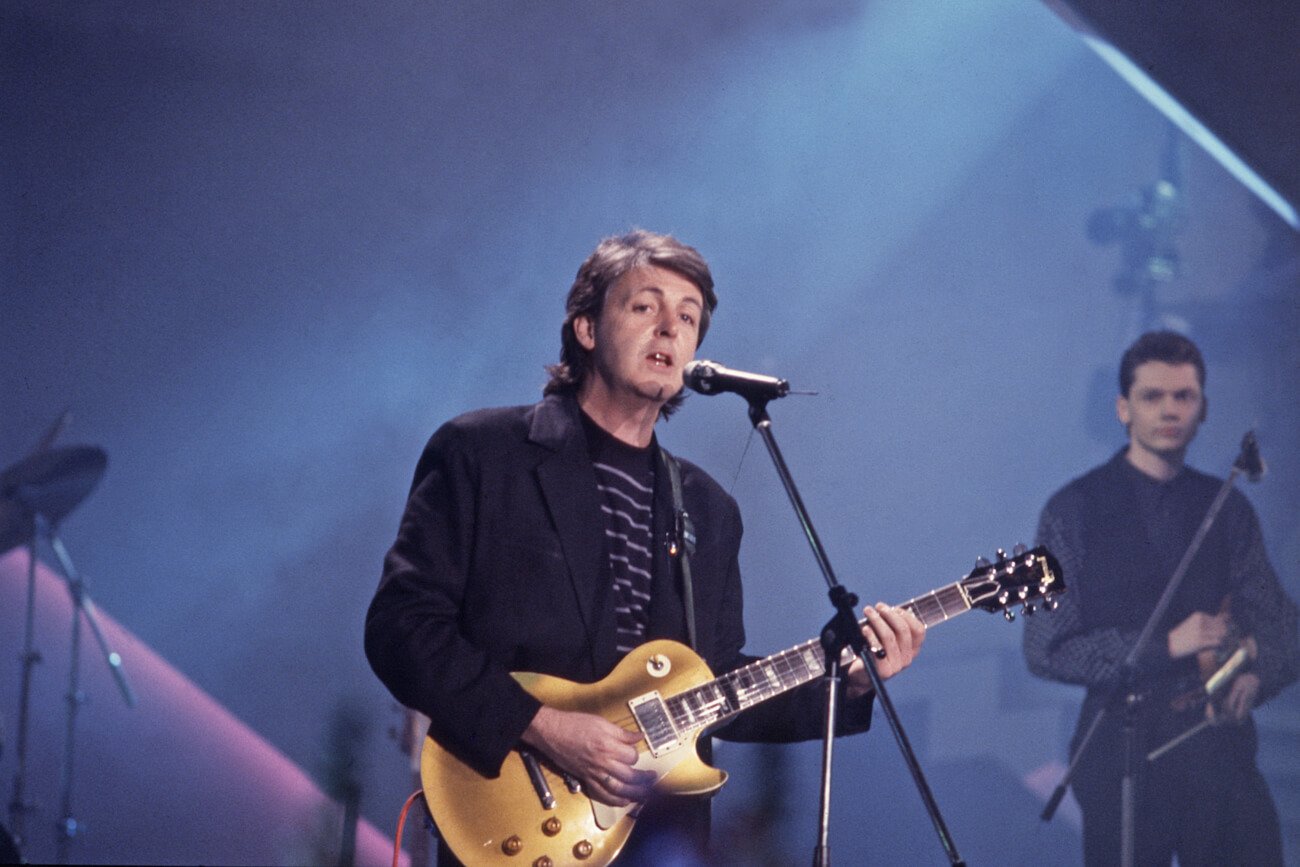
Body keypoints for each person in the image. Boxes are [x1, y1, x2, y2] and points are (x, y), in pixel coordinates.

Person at [365, 230, 926, 864]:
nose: (669, 328)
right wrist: (542, 724)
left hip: (659, 839)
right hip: (522, 818)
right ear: (585, 327)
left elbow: (718, 688)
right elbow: (401, 628)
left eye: (687, 318)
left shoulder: (708, 509)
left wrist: (845, 683)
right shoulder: (483, 453)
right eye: (644, 307)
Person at [1023, 331, 1299, 866]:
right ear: (1124, 409)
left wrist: (1256, 676)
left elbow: (1283, 625)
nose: (1170, 410)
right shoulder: (1071, 511)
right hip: (1122, 756)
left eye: (1184, 397)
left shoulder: (1227, 507)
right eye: (1153, 397)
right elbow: (1045, 647)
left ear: (1202, 409)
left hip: (1219, 753)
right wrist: (1162, 645)